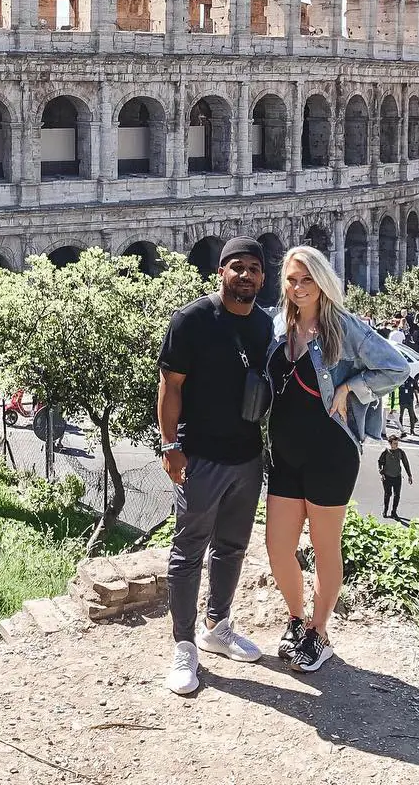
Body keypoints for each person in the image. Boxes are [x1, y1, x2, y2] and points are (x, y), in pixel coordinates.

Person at [264, 246, 408, 674]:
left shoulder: (343, 327)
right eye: (291, 280)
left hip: (331, 452)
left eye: (307, 279)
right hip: (285, 454)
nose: (298, 287)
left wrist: (351, 390)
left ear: (322, 282)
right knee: (277, 548)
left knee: (326, 548)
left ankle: (319, 631)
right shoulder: (277, 324)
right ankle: (296, 619)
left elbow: (395, 367)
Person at [157, 237, 273, 695]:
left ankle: (217, 626)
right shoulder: (192, 320)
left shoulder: (264, 325)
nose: (246, 275)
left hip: (247, 456)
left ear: (263, 278)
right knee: (188, 553)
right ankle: (184, 646)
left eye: (254, 269)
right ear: (220, 272)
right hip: (200, 456)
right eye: (237, 267)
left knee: (232, 547)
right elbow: (170, 386)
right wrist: (170, 445)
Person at [378, 434, 413, 518]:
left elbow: (405, 463)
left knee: (397, 495)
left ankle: (394, 512)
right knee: (388, 494)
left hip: (397, 477)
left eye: (397, 443)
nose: (396, 445)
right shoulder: (385, 452)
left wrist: (409, 475)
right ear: (390, 443)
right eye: (394, 443)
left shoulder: (400, 452)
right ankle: (385, 511)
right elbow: (380, 462)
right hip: (387, 477)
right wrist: (381, 473)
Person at [397, 372, 418, 436]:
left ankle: (412, 430)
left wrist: (417, 400)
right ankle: (401, 430)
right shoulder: (400, 380)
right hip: (402, 401)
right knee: (400, 416)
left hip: (410, 401)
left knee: (411, 416)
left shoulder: (412, 380)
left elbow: (415, 390)